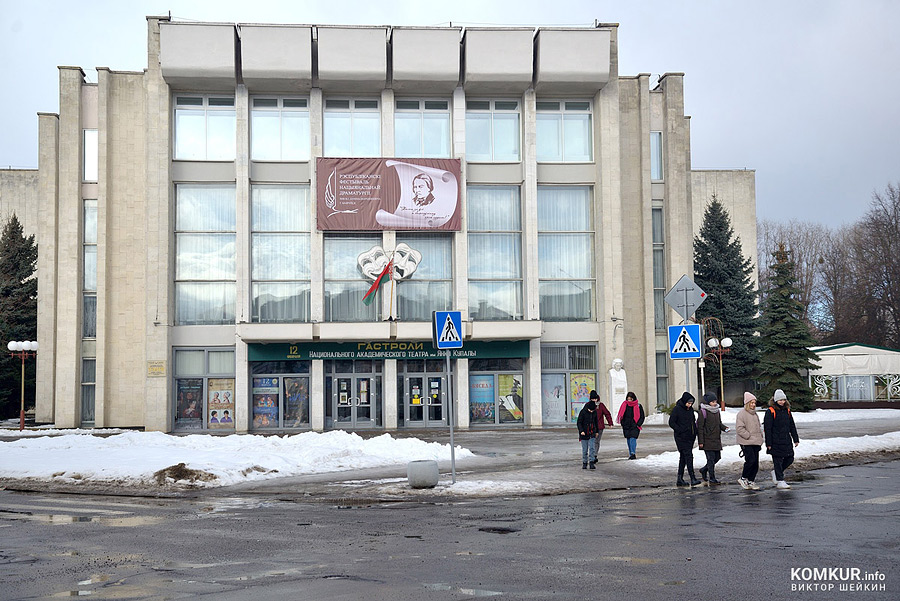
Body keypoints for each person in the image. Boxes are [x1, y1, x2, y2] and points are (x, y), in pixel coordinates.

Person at [764, 388, 800, 489]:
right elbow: (768, 428)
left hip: (786, 440)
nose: (782, 402)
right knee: (778, 460)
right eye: (780, 400)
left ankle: (776, 472)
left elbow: (792, 425)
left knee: (790, 458)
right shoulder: (770, 411)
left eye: (783, 400)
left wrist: (795, 439)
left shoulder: (787, 411)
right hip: (775, 441)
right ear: (775, 400)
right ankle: (780, 480)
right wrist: (769, 443)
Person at [668, 392, 701, 486]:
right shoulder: (677, 409)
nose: (690, 405)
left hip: (690, 437)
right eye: (688, 403)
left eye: (691, 403)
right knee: (689, 457)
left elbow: (692, 422)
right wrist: (680, 430)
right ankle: (692, 478)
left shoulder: (690, 410)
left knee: (683, 458)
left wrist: (695, 432)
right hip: (681, 437)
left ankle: (680, 478)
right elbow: (671, 422)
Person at [697, 392, 729, 484]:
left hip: (716, 439)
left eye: (715, 401)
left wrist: (724, 428)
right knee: (710, 459)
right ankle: (712, 477)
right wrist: (701, 442)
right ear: (708, 402)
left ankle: (704, 469)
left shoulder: (716, 411)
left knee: (717, 457)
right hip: (707, 440)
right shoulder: (703, 412)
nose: (715, 403)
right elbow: (700, 428)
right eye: (712, 402)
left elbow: (719, 423)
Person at [735, 391, 763, 490]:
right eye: (751, 403)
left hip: (756, 441)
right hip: (746, 442)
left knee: (756, 463)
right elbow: (739, 428)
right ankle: (743, 478)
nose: (753, 405)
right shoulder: (741, 414)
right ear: (747, 403)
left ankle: (751, 480)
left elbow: (758, 427)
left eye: (754, 403)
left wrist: (760, 437)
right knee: (750, 460)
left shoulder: (755, 414)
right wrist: (748, 436)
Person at [617, 391, 645, 459]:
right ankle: (630, 453)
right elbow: (621, 415)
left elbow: (642, 416)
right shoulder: (624, 405)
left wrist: (638, 424)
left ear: (633, 398)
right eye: (628, 399)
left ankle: (633, 453)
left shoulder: (638, 406)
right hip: (626, 425)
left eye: (630, 399)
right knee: (629, 439)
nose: (629, 400)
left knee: (633, 439)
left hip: (635, 425)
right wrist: (622, 423)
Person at [576, 399, 599, 469]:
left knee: (592, 448)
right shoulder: (583, 412)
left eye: (592, 410)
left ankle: (591, 462)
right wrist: (581, 431)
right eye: (590, 410)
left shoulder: (594, 413)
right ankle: (584, 462)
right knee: (585, 449)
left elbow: (596, 422)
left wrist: (597, 431)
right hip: (584, 434)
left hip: (592, 433)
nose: (591, 411)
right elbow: (579, 422)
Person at [591, 390, 614, 460]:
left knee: (596, 441)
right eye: (592, 399)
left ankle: (594, 455)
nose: (594, 400)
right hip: (591, 426)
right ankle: (592, 455)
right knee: (591, 441)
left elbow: (607, 413)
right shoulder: (588, 405)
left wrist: (610, 423)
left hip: (599, 427)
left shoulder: (601, 405)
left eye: (595, 399)